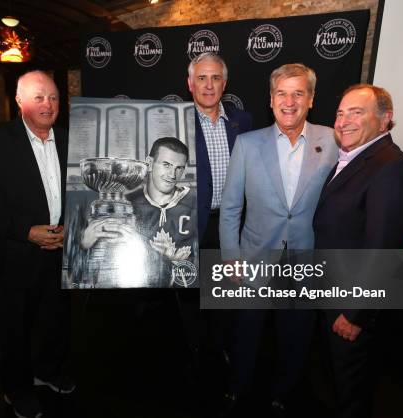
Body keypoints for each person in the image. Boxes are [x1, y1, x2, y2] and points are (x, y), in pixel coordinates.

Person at [219, 63, 338, 416]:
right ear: (271, 100)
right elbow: (229, 208)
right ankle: (236, 388)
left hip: (305, 258)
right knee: (247, 331)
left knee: (296, 335)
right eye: (282, 93)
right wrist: (231, 257)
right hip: (255, 257)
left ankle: (284, 393)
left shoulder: (332, 140)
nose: (290, 101)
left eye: (298, 93)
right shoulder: (247, 144)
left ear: (311, 99)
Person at [313, 84, 403, 418]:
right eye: (340, 113)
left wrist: (356, 314)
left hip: (351, 309)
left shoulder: (391, 167)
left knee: (352, 396)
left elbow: (383, 251)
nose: (343, 121)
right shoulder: (356, 158)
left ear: (385, 119)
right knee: (336, 387)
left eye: (356, 113)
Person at [0, 70, 73, 418]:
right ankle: (16, 389)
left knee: (55, 319)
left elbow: (82, 192)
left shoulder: (69, 139)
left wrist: (71, 226)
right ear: (19, 101)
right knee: (14, 327)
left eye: (52, 97)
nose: (47, 104)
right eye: (38, 97)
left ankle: (48, 372)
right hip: (14, 253)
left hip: (60, 250)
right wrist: (24, 231)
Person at [81, 137, 198, 288]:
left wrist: (169, 260)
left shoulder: (194, 205)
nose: (172, 175)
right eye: (166, 165)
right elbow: (99, 269)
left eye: (179, 168)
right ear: (149, 163)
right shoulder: (125, 205)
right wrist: (84, 244)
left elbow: (193, 273)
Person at [188, 52, 252, 247]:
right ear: (190, 84)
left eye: (215, 78)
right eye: (201, 78)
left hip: (234, 226)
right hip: (192, 227)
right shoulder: (179, 122)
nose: (209, 85)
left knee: (231, 278)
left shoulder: (243, 121)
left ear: (224, 84)